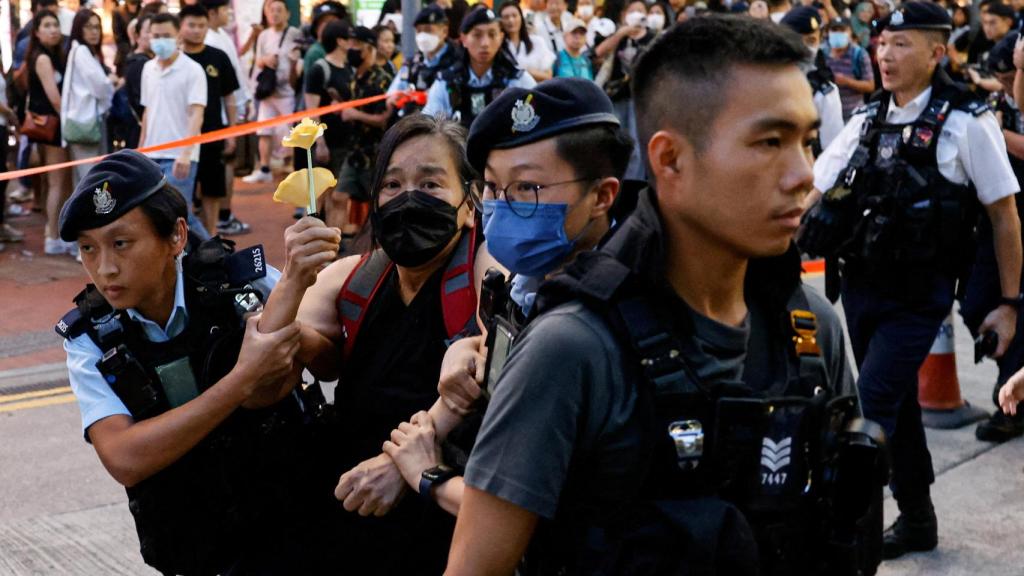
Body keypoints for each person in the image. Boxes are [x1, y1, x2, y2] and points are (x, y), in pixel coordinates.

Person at [445, 16, 881, 576]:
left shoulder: (810, 325)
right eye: (769, 142)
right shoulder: (573, 348)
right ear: (669, 159)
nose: (803, 173)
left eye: (807, 141)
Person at [801, 2, 1023, 560]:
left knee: (867, 409)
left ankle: (837, 534)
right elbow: (815, 189)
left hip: (918, 297)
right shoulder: (868, 118)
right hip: (860, 288)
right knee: (897, 410)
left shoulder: (968, 121)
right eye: (881, 44)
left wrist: (1010, 302)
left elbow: (1004, 215)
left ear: (936, 52)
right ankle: (918, 521)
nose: (885, 54)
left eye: (901, 44)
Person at [54, 148, 333, 575]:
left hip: (294, 532)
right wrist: (242, 379)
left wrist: (295, 334)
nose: (104, 268)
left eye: (121, 243)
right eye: (88, 250)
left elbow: (334, 362)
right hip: (194, 552)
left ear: (177, 237)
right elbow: (126, 458)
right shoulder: (90, 337)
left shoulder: (241, 281)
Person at [382, 78, 633, 518]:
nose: (502, 206)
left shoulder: (604, 313)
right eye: (494, 190)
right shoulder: (527, 278)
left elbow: (527, 505)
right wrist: (465, 345)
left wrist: (427, 475)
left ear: (602, 196)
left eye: (527, 190)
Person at [263, 113, 487, 574]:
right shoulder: (354, 276)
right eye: (392, 185)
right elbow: (264, 373)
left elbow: (485, 360)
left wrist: (397, 466)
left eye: (430, 185)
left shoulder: (483, 267)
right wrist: (292, 278)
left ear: (469, 202)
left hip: (441, 516)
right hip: (353, 511)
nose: (408, 199)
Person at [959, 32, 1024, 442]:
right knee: (980, 304)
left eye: (1016, 73)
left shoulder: (993, 124)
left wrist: (993, 137)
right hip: (996, 227)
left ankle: (1011, 405)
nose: (1010, 87)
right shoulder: (995, 109)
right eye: (1008, 75)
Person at [139, 12, 209, 240]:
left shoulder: (193, 70)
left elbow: (196, 114)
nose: (160, 40)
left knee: (180, 213)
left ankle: (217, 257)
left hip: (179, 155)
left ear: (177, 35)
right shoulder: (148, 69)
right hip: (152, 155)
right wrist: (140, 152)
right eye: (156, 35)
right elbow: (147, 112)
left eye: (166, 35)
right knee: (157, 214)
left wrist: (186, 154)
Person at [423, 6, 538, 128]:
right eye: (477, 35)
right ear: (464, 39)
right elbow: (430, 128)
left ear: (501, 38)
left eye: (492, 34)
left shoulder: (517, 81)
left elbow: (537, 122)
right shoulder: (446, 83)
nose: (485, 44)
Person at [178, 5, 239, 235]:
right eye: (191, 25)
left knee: (212, 190)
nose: (196, 30)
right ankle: (185, 240)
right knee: (182, 193)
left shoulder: (218, 57)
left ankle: (211, 237)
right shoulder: (175, 60)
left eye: (201, 26)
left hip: (213, 132)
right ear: (181, 27)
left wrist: (231, 131)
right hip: (181, 137)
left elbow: (229, 98)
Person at [204, 0, 255, 236]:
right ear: (213, 12)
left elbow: (236, 73)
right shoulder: (210, 39)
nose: (230, 14)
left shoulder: (221, 35)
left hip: (234, 108)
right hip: (222, 115)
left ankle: (223, 214)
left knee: (229, 163)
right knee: (225, 162)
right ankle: (222, 216)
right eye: (226, 10)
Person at [337, 26, 394, 237]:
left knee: (377, 204)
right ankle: (334, 247)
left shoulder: (382, 80)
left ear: (369, 49)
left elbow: (384, 120)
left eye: (356, 45)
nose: (351, 49)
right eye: (349, 44)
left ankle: (375, 248)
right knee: (338, 196)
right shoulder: (354, 79)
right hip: (354, 151)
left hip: (375, 154)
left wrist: (354, 115)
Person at [27, 9, 73, 257]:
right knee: (56, 182)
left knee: (60, 182)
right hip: (53, 126)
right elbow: (54, 98)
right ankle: (53, 236)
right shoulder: (42, 58)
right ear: (37, 31)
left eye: (55, 25)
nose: (53, 29)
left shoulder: (54, 55)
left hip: (55, 124)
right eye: (47, 25)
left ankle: (55, 233)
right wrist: (71, 121)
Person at [242, 0, 301, 184]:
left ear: (287, 14)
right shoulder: (264, 35)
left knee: (293, 130)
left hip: (287, 90)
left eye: (279, 10)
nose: (275, 14)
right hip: (268, 91)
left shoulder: (294, 34)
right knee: (264, 130)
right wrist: (266, 60)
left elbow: (299, 62)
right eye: (271, 10)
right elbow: (258, 60)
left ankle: (291, 167)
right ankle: (265, 168)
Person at [305, 20, 355, 232]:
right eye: (349, 37)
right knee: (320, 196)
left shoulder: (350, 68)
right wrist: (320, 142)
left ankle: (335, 241)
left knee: (339, 196)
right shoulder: (320, 69)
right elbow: (311, 111)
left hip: (347, 141)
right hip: (327, 141)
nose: (353, 42)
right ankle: (315, 236)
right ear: (340, 41)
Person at [594, 0, 653, 179]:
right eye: (632, 11)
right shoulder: (618, 35)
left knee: (637, 144)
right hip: (616, 95)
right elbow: (598, 52)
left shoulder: (652, 37)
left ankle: (632, 186)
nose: (636, 14)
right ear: (624, 14)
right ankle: (613, 182)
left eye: (640, 11)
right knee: (615, 142)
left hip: (640, 98)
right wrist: (622, 33)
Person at [62, 9, 117, 190]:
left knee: (89, 178)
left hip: (88, 121)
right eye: (88, 27)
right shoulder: (81, 51)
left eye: (97, 27)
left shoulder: (84, 51)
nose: (94, 32)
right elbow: (100, 87)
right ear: (79, 29)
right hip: (85, 123)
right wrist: (111, 81)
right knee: (90, 180)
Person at [781, 6, 843, 153]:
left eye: (811, 41)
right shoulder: (765, 79)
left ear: (820, 40)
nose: (805, 49)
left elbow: (832, 150)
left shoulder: (825, 91)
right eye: (797, 41)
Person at [387, 3, 459, 118]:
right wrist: (397, 97)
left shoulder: (458, 60)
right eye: (419, 31)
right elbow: (393, 93)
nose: (423, 36)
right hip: (413, 125)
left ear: (444, 31)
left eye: (428, 30)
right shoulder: (413, 63)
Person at [824, 17, 876, 120]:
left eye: (842, 30)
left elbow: (870, 86)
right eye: (834, 30)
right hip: (828, 117)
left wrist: (847, 81)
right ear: (828, 32)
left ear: (850, 32)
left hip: (853, 116)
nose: (838, 34)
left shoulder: (859, 54)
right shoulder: (822, 53)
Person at [499, 0, 555, 82]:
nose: (511, 20)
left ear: (521, 18)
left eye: (514, 16)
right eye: (506, 17)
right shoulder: (498, 46)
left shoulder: (537, 42)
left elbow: (548, 76)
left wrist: (523, 72)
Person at [119, 14, 151, 150]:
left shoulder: (145, 61)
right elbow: (142, 104)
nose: (154, 36)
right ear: (137, 36)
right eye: (149, 31)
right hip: (139, 133)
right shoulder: (139, 64)